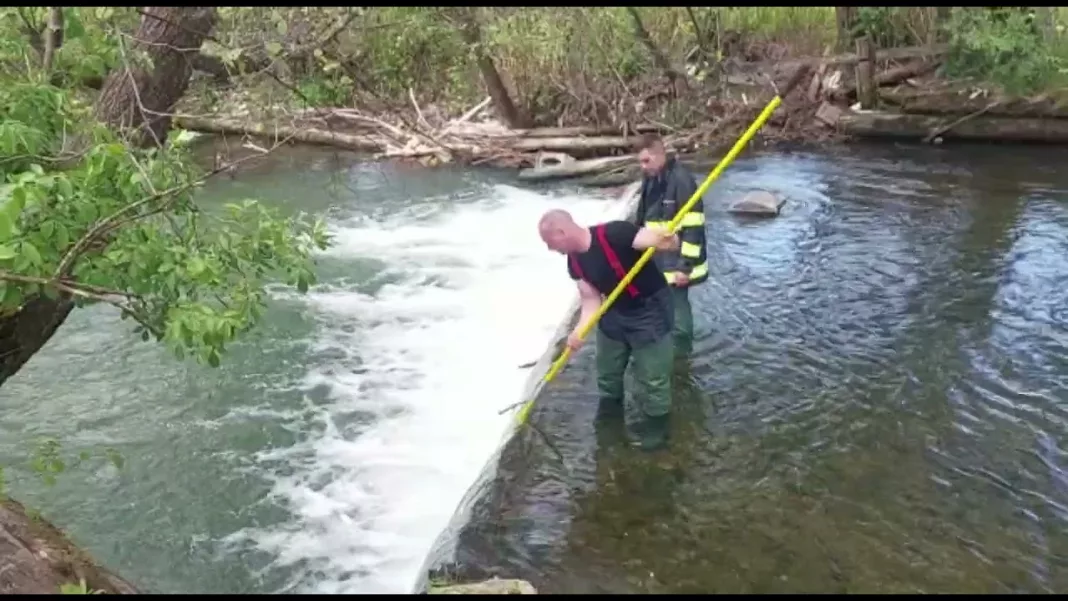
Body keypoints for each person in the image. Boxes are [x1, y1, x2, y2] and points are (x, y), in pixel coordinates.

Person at [537, 209, 679, 452]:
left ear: (562, 232)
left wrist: (666, 240)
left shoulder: (615, 233)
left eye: (549, 242)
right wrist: (579, 331)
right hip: (613, 311)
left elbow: (661, 241)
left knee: (653, 378)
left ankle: (657, 427)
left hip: (649, 309)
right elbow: (591, 301)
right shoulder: (574, 262)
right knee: (607, 371)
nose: (550, 249)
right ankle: (611, 416)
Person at [635, 133, 709, 356]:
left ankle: (683, 353)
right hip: (658, 257)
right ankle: (668, 347)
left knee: (678, 307)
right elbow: (643, 217)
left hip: (678, 261)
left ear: (660, 155)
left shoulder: (682, 180)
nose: (642, 166)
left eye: (646, 161)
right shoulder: (651, 178)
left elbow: (694, 226)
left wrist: (684, 266)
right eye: (640, 161)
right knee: (661, 305)